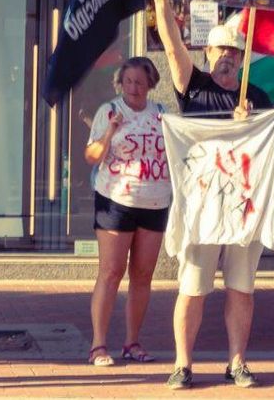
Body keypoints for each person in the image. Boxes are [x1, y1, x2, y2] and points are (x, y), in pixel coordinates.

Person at [151, 0, 274, 390]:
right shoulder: (194, 85)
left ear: (242, 59)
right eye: (220, 50)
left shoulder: (258, 96)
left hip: (243, 205)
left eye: (234, 52)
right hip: (202, 203)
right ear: (207, 54)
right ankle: (183, 364)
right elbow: (171, 49)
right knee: (193, 286)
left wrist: (251, 122)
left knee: (241, 287)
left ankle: (237, 362)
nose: (226, 57)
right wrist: (162, 3)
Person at [82, 56, 169, 366]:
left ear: (150, 84)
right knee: (111, 272)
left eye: (140, 82)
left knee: (143, 276)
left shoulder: (162, 113)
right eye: (128, 81)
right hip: (115, 200)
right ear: (120, 83)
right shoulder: (109, 111)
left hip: (155, 201)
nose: (134, 88)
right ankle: (98, 345)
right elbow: (91, 156)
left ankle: (132, 342)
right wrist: (109, 132)